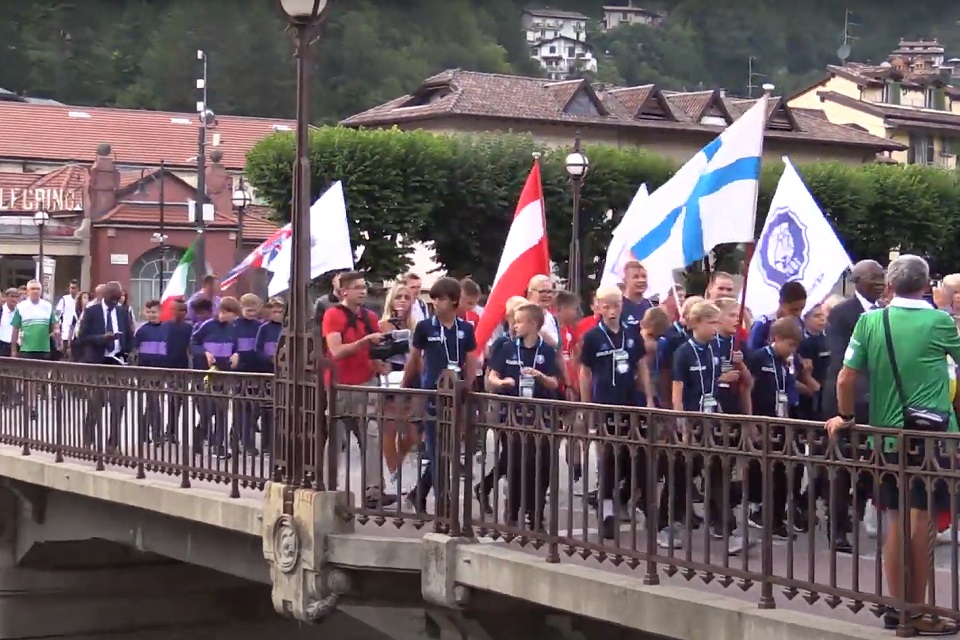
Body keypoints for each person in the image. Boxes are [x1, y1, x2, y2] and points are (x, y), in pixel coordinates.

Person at [827, 255, 959, 635]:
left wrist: (847, 417)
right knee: (923, 523)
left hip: (884, 436)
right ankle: (918, 612)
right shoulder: (938, 320)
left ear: (890, 285)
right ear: (925, 285)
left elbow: (845, 377)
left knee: (894, 521)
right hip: (931, 437)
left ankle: (898, 607)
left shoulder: (871, 320)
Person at [671, 301, 749, 553]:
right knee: (683, 476)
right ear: (696, 323)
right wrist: (681, 423)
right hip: (692, 423)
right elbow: (678, 392)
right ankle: (665, 522)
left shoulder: (715, 349)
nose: (716, 328)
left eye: (717, 322)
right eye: (711, 323)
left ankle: (729, 529)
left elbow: (714, 383)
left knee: (718, 474)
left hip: (712, 421)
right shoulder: (683, 352)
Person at [578, 285, 653, 540]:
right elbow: (585, 373)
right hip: (605, 404)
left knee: (638, 455)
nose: (611, 311)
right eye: (606, 306)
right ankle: (607, 509)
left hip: (631, 403)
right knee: (609, 458)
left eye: (616, 305)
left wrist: (649, 399)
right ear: (598, 307)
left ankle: (636, 499)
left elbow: (641, 365)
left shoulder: (632, 334)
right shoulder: (592, 337)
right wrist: (588, 409)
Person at [822, 260, 885, 548]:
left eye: (883, 276)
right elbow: (841, 358)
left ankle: (855, 511)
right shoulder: (843, 313)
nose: (881, 281)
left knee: (871, 466)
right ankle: (836, 528)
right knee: (841, 467)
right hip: (846, 398)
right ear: (858, 279)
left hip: (877, 400)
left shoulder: (885, 312)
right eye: (875, 277)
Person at [403, 277, 477, 512]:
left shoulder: (465, 328)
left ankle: (419, 493)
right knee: (436, 448)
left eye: (441, 299)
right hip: (432, 392)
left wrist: (469, 384)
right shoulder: (425, 327)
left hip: (456, 392)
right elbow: (415, 357)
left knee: (450, 446)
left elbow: (471, 358)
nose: (436, 303)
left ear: (455, 301)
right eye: (433, 299)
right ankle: (444, 500)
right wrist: (407, 388)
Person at [322, 270, 394, 508]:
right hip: (340, 385)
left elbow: (373, 352)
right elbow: (336, 351)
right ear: (344, 291)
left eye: (364, 287)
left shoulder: (370, 317)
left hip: (366, 383)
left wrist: (381, 362)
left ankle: (373, 490)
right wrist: (364, 342)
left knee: (371, 436)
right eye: (357, 287)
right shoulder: (333, 315)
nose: (363, 291)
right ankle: (327, 488)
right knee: (337, 439)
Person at [486, 303, 560, 529]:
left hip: (540, 416)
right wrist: (502, 382)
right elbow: (491, 377)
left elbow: (555, 382)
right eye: (514, 321)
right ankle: (513, 510)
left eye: (519, 321)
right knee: (516, 464)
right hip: (514, 416)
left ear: (533, 324)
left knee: (541, 466)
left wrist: (540, 376)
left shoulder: (546, 350)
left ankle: (535, 512)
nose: (515, 325)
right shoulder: (508, 348)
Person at [746, 317, 804, 540]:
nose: (792, 350)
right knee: (767, 471)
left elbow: (789, 394)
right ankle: (763, 513)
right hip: (763, 420)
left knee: (788, 471)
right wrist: (751, 421)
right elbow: (748, 388)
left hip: (782, 423)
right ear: (776, 339)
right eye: (789, 345)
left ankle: (777, 517)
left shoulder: (787, 363)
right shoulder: (759, 358)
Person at [74, 281, 132, 451]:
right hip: (97, 360)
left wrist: (128, 351)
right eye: (114, 298)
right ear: (105, 295)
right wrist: (102, 339)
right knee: (95, 401)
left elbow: (129, 334)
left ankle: (113, 443)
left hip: (117, 361)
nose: (116, 301)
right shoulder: (92, 311)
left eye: (118, 298)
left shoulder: (123, 312)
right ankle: (89, 438)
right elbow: (82, 338)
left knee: (118, 402)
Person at [192, 296, 241, 459]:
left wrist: (236, 355)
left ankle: (219, 446)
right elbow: (193, 343)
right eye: (233, 314)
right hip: (207, 374)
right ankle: (199, 439)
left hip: (224, 374)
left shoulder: (233, 328)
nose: (234, 318)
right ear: (223, 312)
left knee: (222, 411)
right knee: (207, 411)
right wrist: (204, 353)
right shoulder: (206, 326)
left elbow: (236, 347)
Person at [378, 282, 417, 481]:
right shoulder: (384, 324)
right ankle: (394, 473)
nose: (402, 301)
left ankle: (397, 465)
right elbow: (380, 352)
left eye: (406, 297)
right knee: (390, 428)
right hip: (391, 378)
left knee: (413, 431)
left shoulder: (414, 325)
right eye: (398, 297)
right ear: (391, 301)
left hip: (409, 378)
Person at [233, 294, 264, 454]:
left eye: (254, 310)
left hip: (256, 371)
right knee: (243, 408)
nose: (251, 313)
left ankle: (240, 437)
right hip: (239, 371)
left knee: (254, 409)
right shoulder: (235, 325)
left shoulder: (260, 326)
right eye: (248, 310)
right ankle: (245, 441)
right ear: (241, 308)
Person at [133, 299, 167, 444]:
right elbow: (134, 350)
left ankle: (153, 433)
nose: (151, 315)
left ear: (160, 312)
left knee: (154, 402)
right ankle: (149, 434)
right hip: (145, 371)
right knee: (151, 402)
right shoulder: (141, 330)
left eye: (154, 312)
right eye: (148, 312)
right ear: (144, 313)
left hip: (160, 370)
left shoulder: (166, 329)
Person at [254, 298, 284, 453]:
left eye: (280, 312)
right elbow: (257, 349)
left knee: (280, 410)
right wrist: (269, 359)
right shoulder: (264, 328)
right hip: (266, 373)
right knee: (266, 410)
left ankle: (278, 443)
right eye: (274, 312)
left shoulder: (287, 328)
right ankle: (266, 444)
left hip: (283, 374)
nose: (277, 315)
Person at [526, 274, 559, 347]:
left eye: (550, 291)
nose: (548, 295)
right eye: (543, 291)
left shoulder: (553, 319)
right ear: (530, 294)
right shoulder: (521, 318)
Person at [621, 261, 653, 329]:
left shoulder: (651, 307)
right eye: (636, 277)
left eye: (644, 277)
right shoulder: (618, 307)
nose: (641, 280)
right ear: (625, 280)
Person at [0, 288, 18, 358]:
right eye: (12, 296)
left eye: (16, 297)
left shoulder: (20, 312)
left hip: (15, 345)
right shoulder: (1, 310)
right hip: (2, 344)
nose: (14, 299)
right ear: (7, 297)